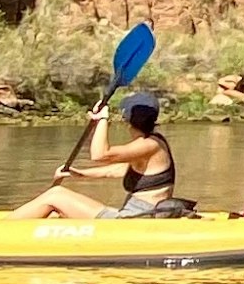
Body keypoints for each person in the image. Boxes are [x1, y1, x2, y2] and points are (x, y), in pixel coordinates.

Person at [15, 94, 191, 220]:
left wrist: (102, 119)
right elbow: (120, 169)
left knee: (55, 195)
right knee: (54, 213)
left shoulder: (148, 145)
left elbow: (99, 154)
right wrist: (81, 174)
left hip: (134, 219)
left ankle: (0, 231)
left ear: (126, 119)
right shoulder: (153, 143)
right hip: (136, 214)